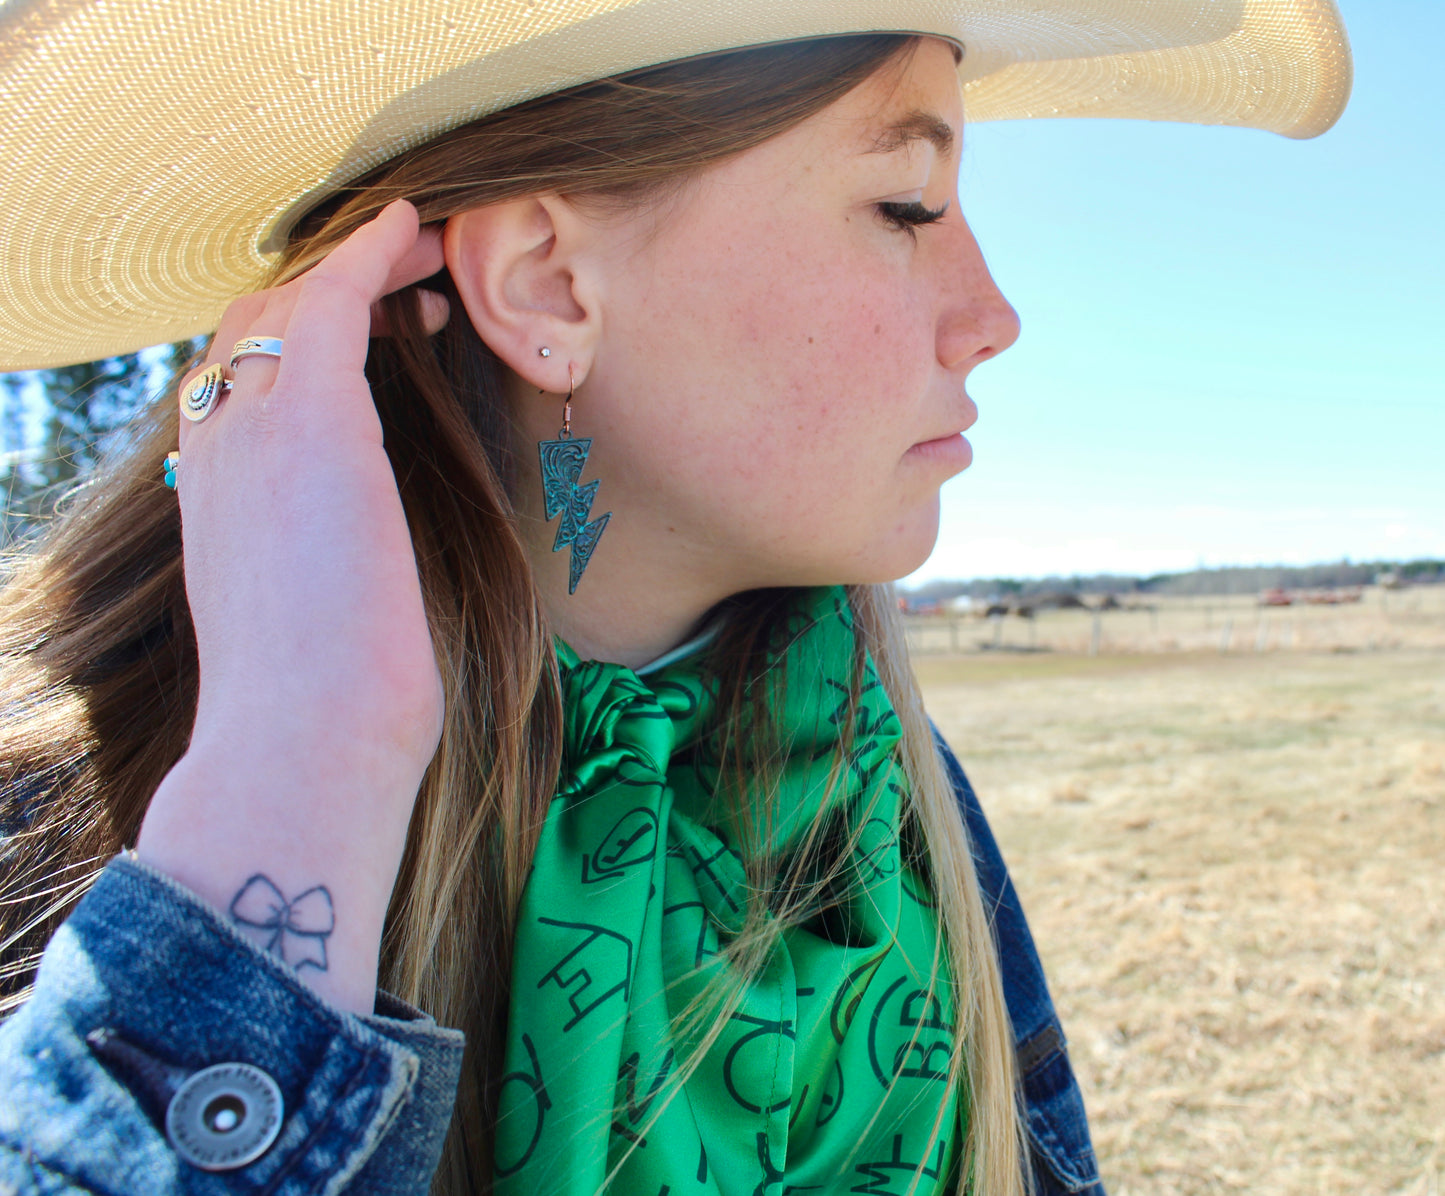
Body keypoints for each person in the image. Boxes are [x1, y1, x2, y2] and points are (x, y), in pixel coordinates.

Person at [0, 2, 1350, 1193]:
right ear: (547, 286)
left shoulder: (879, 788)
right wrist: (295, 784)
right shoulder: (57, 820)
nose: (990, 310)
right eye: (906, 206)